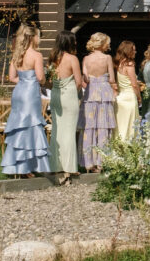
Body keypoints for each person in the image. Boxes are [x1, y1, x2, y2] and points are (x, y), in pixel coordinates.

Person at [1, 26, 51, 177]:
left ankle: (18, 166)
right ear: (32, 37)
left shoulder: (17, 55)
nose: (39, 39)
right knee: (31, 125)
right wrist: (34, 81)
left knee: (19, 126)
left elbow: (11, 77)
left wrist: (24, 80)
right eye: (38, 36)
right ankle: (28, 167)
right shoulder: (36, 55)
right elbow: (41, 78)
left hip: (19, 92)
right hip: (30, 93)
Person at [78, 32, 117, 172]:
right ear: (102, 44)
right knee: (103, 127)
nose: (109, 45)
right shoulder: (107, 58)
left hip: (90, 93)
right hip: (104, 92)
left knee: (89, 128)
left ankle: (88, 163)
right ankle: (101, 162)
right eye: (107, 43)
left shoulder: (86, 59)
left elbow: (85, 79)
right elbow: (112, 79)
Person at [48, 29, 83, 181]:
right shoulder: (72, 59)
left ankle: (55, 165)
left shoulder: (52, 58)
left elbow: (49, 80)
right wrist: (73, 93)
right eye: (74, 40)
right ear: (69, 42)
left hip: (55, 94)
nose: (76, 43)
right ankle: (69, 167)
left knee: (57, 131)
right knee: (69, 131)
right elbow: (79, 82)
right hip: (69, 95)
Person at [113, 41, 141, 140]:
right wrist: (139, 97)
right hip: (129, 98)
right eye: (133, 49)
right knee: (130, 127)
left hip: (120, 97)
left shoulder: (118, 63)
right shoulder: (130, 64)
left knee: (120, 126)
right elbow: (134, 84)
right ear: (128, 51)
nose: (135, 51)